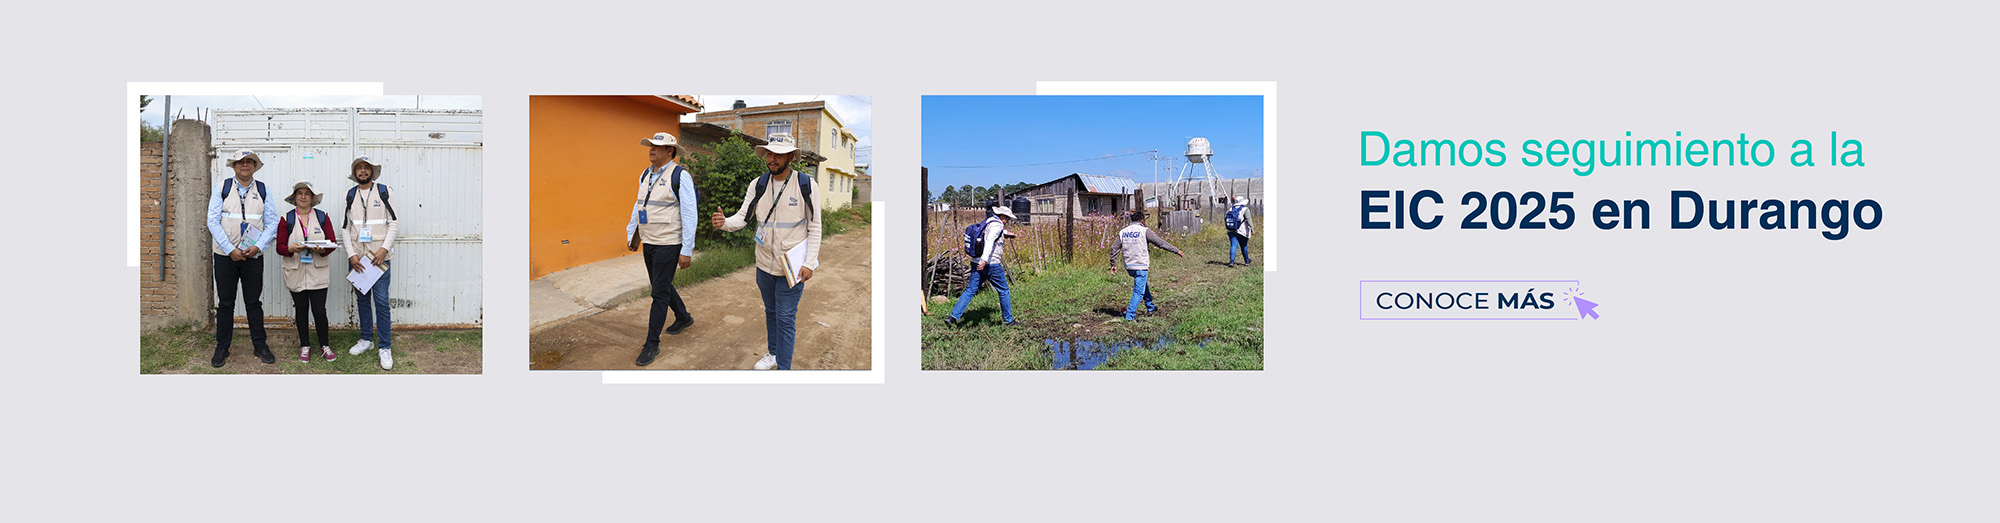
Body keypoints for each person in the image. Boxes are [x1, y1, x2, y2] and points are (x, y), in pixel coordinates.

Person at [712, 133, 821, 370]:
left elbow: (815, 225)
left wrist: (810, 262)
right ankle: (773, 353)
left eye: (778, 155)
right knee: (771, 312)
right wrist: (725, 223)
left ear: (790, 157)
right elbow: (743, 216)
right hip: (763, 265)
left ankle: (784, 368)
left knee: (785, 319)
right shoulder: (758, 184)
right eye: (770, 153)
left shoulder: (806, 185)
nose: (772, 159)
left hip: (792, 267)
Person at [626, 132, 698, 367]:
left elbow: (689, 214)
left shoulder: (680, 175)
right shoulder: (645, 174)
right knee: (662, 285)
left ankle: (652, 344)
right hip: (649, 241)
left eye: (658, 147)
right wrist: (632, 233)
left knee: (658, 293)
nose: (652, 149)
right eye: (651, 146)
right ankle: (683, 317)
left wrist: (686, 249)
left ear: (670, 151)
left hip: (669, 243)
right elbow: (639, 205)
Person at [205, 150, 281, 367]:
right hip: (225, 257)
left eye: (249, 162)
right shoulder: (222, 188)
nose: (245, 165)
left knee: (253, 303)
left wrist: (258, 246)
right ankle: (222, 347)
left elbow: (272, 222)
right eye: (241, 162)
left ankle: (260, 345)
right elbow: (212, 221)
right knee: (226, 304)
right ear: (234, 166)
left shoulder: (263, 190)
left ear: (255, 166)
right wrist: (230, 249)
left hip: (252, 256)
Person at [341, 156, 400, 370]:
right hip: (358, 260)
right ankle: (366, 339)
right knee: (363, 301)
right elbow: (345, 228)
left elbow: (394, 223)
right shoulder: (350, 195)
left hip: (379, 260)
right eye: (359, 168)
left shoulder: (385, 191)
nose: (363, 171)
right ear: (355, 172)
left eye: (367, 168)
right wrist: (351, 254)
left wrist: (384, 250)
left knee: (382, 302)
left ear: (372, 172)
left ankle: (385, 346)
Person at [275, 181, 338, 363]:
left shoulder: (322, 217)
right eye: (299, 193)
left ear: (312, 198)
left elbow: (332, 242)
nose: (303, 196)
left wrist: (322, 250)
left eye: (307, 193)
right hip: (295, 271)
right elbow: (280, 247)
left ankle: (324, 345)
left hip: (318, 271)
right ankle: (305, 345)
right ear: (294, 197)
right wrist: (291, 249)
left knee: (319, 311)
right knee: (301, 310)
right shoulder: (286, 219)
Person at [943, 206, 1018, 327]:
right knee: (1003, 290)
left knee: (970, 290)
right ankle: (1008, 320)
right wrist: (984, 260)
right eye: (1007, 218)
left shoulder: (988, 221)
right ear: (1003, 216)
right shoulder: (997, 225)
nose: (1007, 221)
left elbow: (989, 233)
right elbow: (989, 241)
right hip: (990, 263)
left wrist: (1007, 234)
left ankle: (953, 317)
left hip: (975, 261)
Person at [1117, 210, 1185, 321]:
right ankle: (1129, 316)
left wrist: (1113, 263)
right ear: (1142, 221)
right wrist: (1176, 251)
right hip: (1141, 265)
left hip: (1129, 266)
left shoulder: (1123, 231)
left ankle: (1150, 307)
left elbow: (1115, 247)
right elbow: (1160, 243)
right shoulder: (1144, 231)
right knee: (1138, 291)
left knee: (1143, 284)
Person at [1224, 196, 1254, 267]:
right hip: (1242, 231)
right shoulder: (1245, 209)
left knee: (1233, 246)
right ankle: (1247, 261)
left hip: (1231, 230)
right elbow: (1249, 220)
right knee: (1244, 246)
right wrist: (1252, 229)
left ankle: (1231, 262)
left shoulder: (1231, 209)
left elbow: (1225, 218)